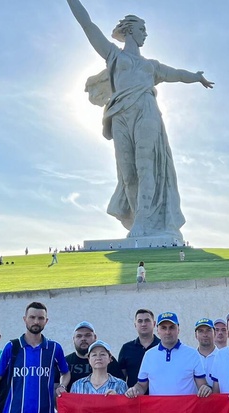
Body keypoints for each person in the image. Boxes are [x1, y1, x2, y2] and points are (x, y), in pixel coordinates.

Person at [66, 1, 214, 239]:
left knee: (147, 166)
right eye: (142, 29)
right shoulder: (113, 55)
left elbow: (176, 74)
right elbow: (88, 25)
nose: (146, 34)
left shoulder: (151, 66)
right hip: (119, 115)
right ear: (130, 31)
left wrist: (196, 77)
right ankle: (138, 217)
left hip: (146, 111)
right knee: (128, 172)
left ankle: (144, 222)